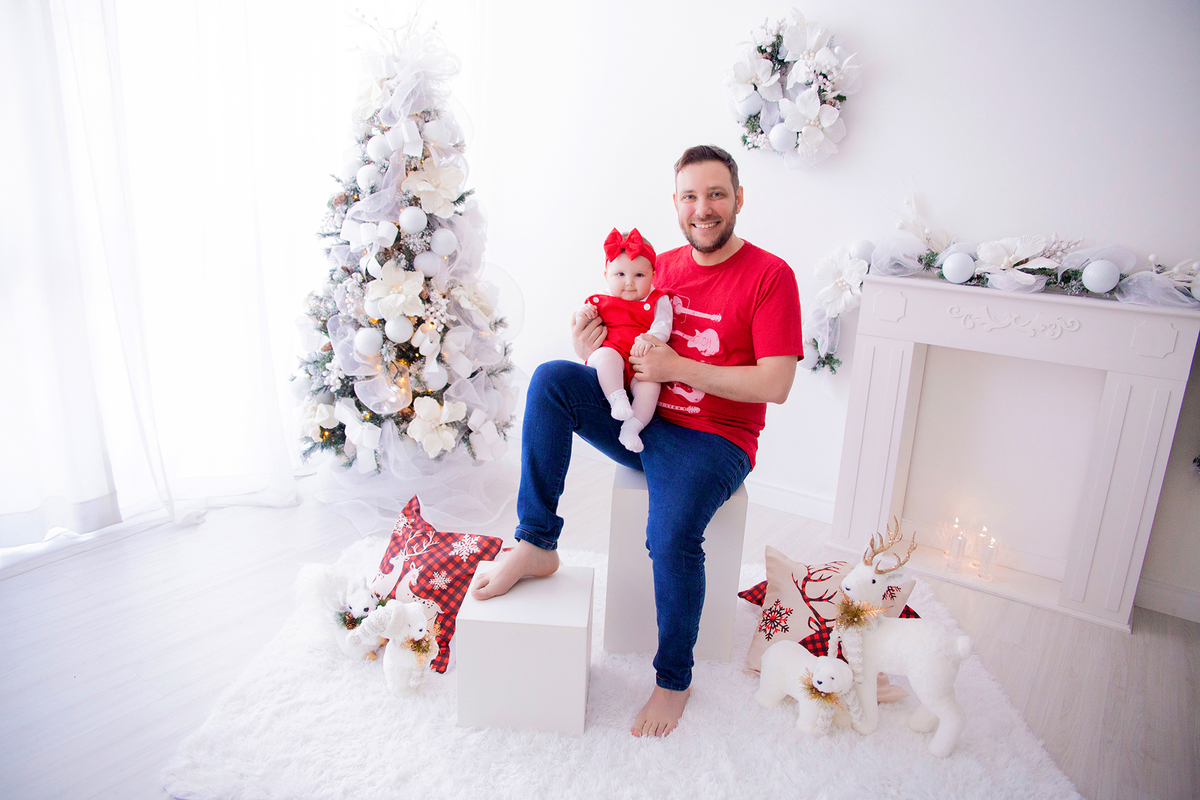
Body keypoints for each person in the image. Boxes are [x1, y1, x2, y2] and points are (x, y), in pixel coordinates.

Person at [471, 144, 804, 738]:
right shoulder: (660, 266)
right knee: (551, 380)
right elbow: (623, 350)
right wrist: (588, 349)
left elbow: (776, 384)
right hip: (641, 419)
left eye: (716, 194)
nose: (703, 208)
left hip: (714, 441)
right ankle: (537, 542)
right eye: (690, 197)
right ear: (676, 205)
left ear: (739, 198)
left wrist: (681, 370)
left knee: (670, 536)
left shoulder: (770, 276)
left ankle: (673, 679)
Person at [575, 228, 672, 452]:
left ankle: (632, 428)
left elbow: (663, 325)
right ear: (606, 274)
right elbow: (583, 322)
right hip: (612, 352)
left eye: (639, 275)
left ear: (653, 275)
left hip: (640, 361)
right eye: (620, 275)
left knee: (650, 387)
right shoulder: (600, 298)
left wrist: (649, 339)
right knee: (607, 357)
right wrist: (583, 313)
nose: (629, 283)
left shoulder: (658, 300)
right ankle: (617, 398)